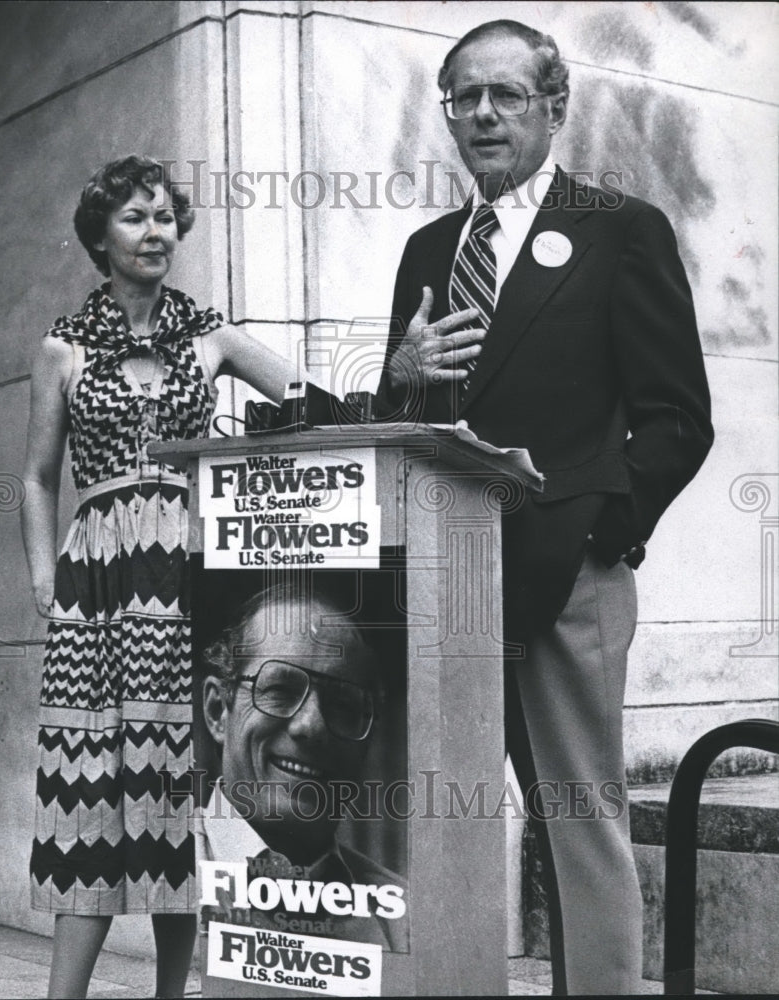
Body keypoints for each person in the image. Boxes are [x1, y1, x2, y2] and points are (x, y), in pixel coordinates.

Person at [378, 20, 713, 995]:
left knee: (577, 819)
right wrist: (397, 377)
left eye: (506, 94)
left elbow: (677, 417)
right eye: (464, 98)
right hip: (447, 581)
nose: (482, 113)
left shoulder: (618, 228)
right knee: (438, 814)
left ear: (553, 107)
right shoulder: (428, 251)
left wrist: (600, 532)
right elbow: (411, 421)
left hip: (570, 575)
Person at [21, 155, 301, 999]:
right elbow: (37, 476)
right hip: (99, 584)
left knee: (180, 785)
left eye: (165, 218)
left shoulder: (208, 334)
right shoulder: (62, 348)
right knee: (91, 790)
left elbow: (302, 398)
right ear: (100, 239)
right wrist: (45, 580)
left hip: (192, 577)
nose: (155, 232)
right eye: (135, 218)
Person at [195, 584, 409, 953]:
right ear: (218, 711)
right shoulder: (150, 884)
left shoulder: (404, 921)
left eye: (343, 704)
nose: (312, 726)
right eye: (279, 688)